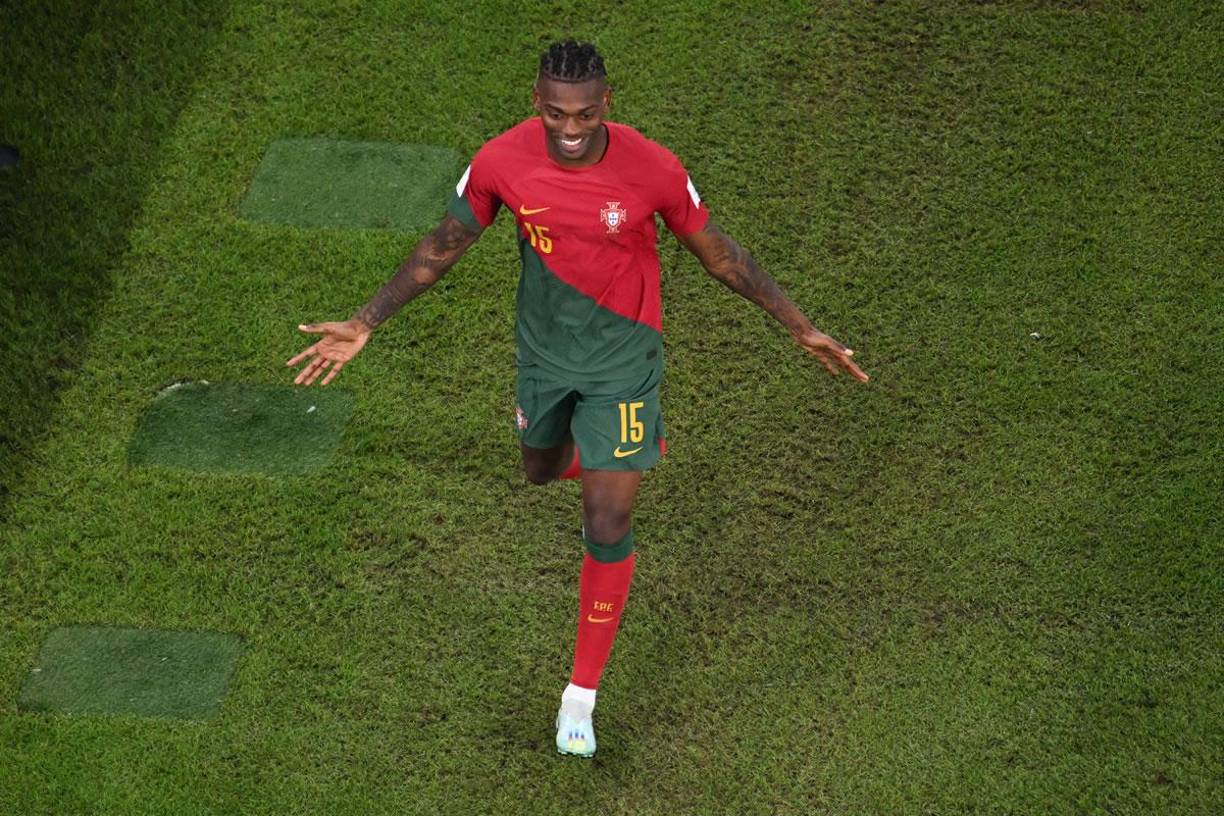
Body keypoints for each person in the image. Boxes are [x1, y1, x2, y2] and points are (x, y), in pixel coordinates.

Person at [288, 40, 868, 758]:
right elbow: (444, 244)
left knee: (607, 512)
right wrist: (366, 321)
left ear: (606, 105)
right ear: (537, 103)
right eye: (558, 113)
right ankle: (601, 455)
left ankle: (579, 698)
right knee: (537, 468)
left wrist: (801, 327)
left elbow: (722, 255)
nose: (570, 127)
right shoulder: (502, 160)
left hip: (624, 362)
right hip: (545, 355)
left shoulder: (653, 168)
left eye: (585, 114)